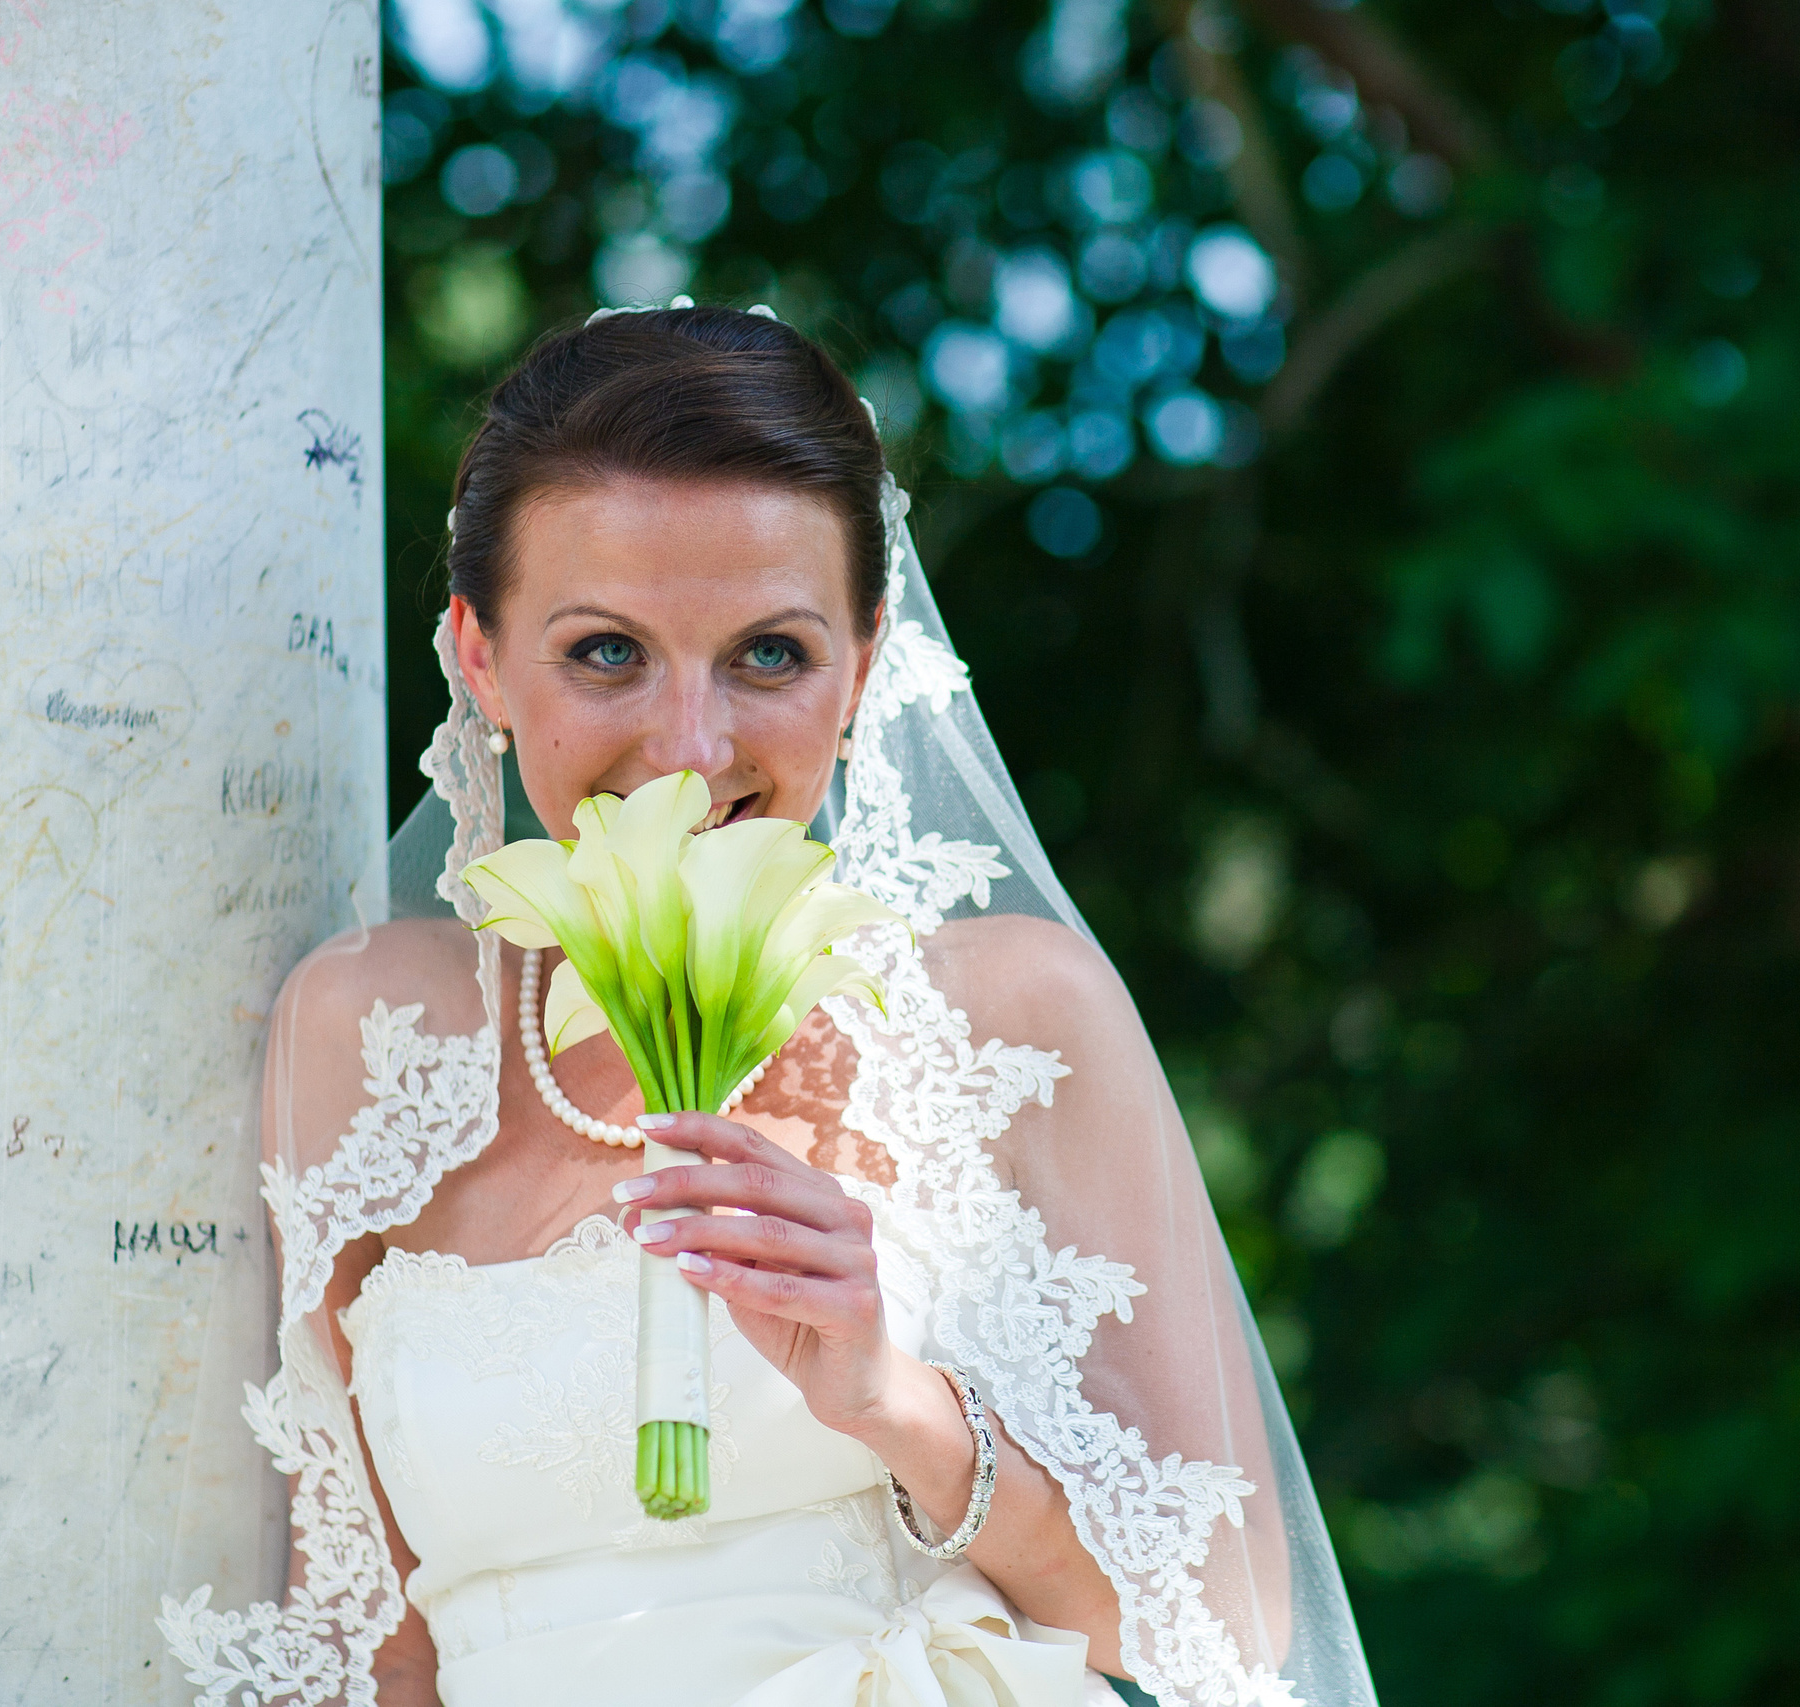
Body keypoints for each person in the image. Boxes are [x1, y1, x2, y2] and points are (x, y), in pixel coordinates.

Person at [159, 304, 1375, 1707]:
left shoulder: (1011, 1015)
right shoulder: (369, 1036)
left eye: (771, 655)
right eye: (606, 651)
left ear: (863, 665)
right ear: (480, 657)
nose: (691, 747)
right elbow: (369, 1643)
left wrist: (898, 1408)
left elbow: (1226, 1619)